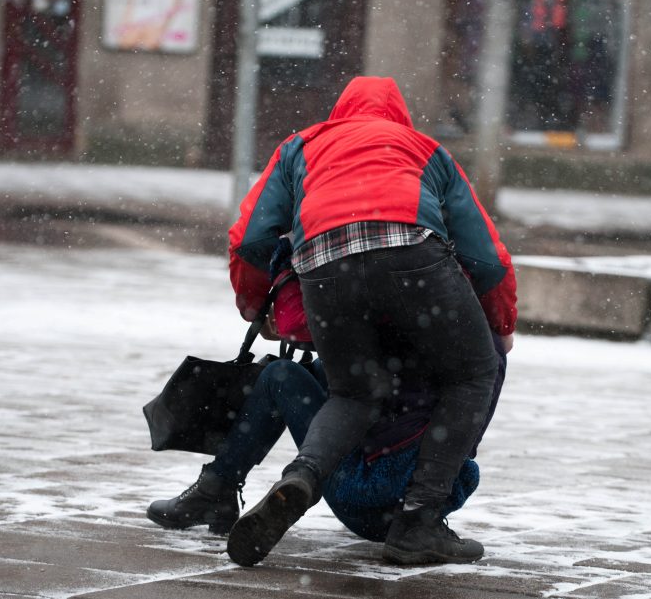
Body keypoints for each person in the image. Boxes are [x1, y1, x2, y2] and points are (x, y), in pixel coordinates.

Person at [225, 76, 517, 566]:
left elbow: (252, 238)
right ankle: (419, 522)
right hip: (411, 250)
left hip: (323, 260)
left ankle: (302, 476)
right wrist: (502, 324)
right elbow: (487, 257)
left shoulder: (301, 145)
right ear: (400, 118)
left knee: (355, 391)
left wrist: (252, 303)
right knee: (476, 371)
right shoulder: (423, 149)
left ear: (340, 113)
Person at [147, 258, 508, 548]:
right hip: (427, 501)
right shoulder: (485, 352)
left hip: (361, 495)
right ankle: (418, 527)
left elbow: (296, 321)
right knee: (329, 376)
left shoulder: (388, 316)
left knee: (281, 377)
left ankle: (218, 487)